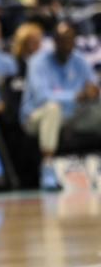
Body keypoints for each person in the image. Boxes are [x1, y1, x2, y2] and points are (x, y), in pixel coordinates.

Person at [20, 21, 100, 184]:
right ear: (54, 41)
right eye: (62, 40)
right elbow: (41, 97)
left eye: (70, 40)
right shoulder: (38, 62)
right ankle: (48, 167)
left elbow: (92, 86)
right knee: (53, 108)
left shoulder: (79, 60)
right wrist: (75, 96)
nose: (66, 44)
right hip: (36, 117)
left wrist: (93, 92)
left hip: (72, 117)